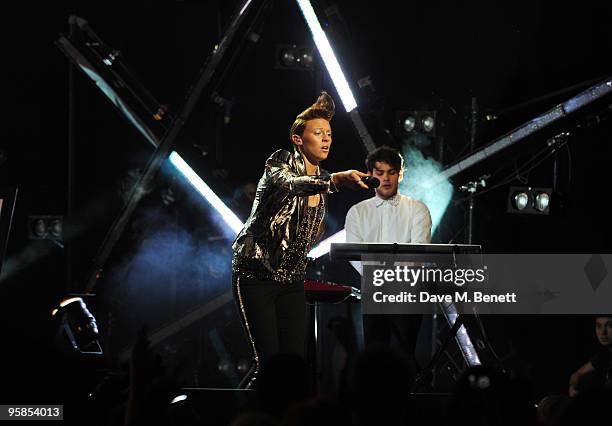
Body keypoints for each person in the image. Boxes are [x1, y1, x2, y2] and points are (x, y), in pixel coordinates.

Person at [231, 92, 369, 389]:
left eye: (329, 134)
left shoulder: (324, 181)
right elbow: (293, 185)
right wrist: (337, 180)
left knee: (293, 365)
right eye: (318, 133)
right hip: (256, 274)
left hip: (292, 279)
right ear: (298, 139)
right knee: (267, 364)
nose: (326, 139)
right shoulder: (279, 162)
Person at [344, 146, 432, 364]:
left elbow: (419, 251)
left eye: (391, 172)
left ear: (400, 174)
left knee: (405, 356)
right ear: (370, 175)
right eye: (380, 172)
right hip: (373, 291)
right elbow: (353, 253)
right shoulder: (357, 211)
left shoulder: (417, 208)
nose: (386, 178)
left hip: (407, 293)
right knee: (373, 358)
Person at [569, 315, 612, 396]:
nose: (602, 332)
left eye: (610, 325)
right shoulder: (605, 354)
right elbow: (576, 375)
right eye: (599, 325)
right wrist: (575, 388)